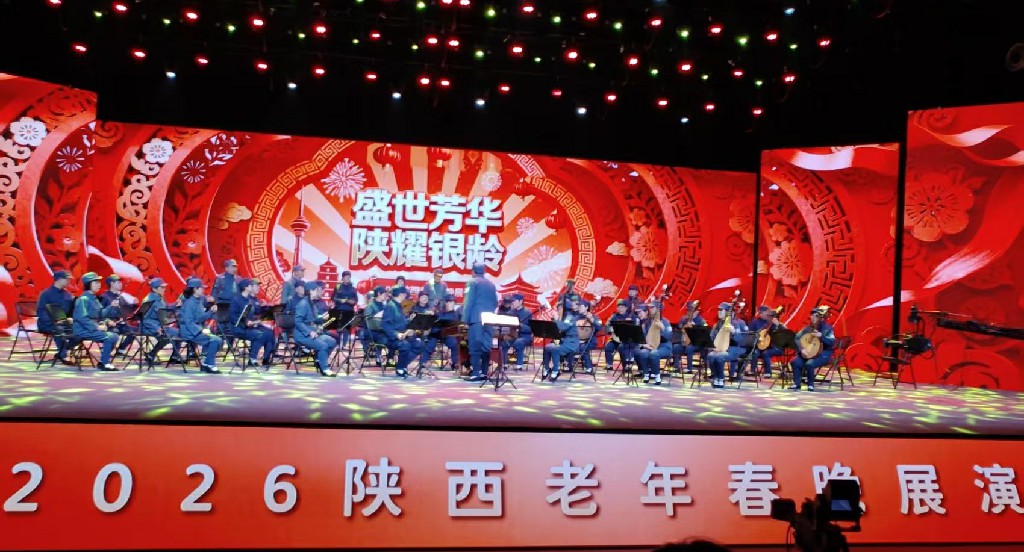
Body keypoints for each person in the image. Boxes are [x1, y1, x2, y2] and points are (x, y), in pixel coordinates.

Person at [71, 272, 120, 371]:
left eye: (99, 282)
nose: (99, 284)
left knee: (114, 336)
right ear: (88, 284)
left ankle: (103, 361)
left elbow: (101, 313)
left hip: (90, 328)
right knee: (110, 337)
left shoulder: (94, 298)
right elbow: (82, 318)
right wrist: (97, 327)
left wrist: (111, 308)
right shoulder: (83, 299)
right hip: (82, 329)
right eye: (96, 282)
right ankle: (105, 363)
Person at [461, 263, 498, 382]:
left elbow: (469, 302)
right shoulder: (491, 284)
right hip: (489, 319)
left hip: (476, 319)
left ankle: (476, 373)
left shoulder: (472, 282)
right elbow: (495, 302)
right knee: (486, 346)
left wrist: (465, 320)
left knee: (475, 346)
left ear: (473, 271)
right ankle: (484, 372)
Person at [178, 277, 222, 374]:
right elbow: (189, 322)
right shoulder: (189, 303)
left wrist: (211, 311)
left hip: (197, 330)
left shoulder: (198, 301)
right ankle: (209, 364)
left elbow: (201, 317)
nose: (203, 290)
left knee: (218, 340)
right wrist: (201, 331)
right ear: (195, 289)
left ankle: (206, 363)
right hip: (190, 332)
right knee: (215, 340)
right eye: (201, 288)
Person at [229, 278, 276, 368]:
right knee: (261, 334)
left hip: (250, 325)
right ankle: (252, 358)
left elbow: (255, 311)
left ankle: (266, 358)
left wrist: (266, 308)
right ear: (245, 287)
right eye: (251, 285)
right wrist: (247, 322)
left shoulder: (249, 300)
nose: (253, 286)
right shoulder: (236, 300)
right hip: (239, 327)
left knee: (270, 333)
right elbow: (233, 317)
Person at [293, 281, 337, 377]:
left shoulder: (311, 303)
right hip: (302, 335)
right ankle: (325, 368)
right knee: (323, 346)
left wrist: (322, 317)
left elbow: (314, 318)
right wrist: (309, 332)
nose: (318, 292)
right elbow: (298, 322)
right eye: (316, 290)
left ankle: (318, 360)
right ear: (311, 291)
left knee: (332, 341)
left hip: (312, 331)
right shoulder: (303, 304)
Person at [790, 306, 836, 391]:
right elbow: (797, 338)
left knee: (810, 364)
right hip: (808, 353)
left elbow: (832, 342)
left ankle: (810, 385)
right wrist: (802, 349)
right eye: (812, 315)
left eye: (816, 316)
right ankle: (797, 384)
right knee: (795, 362)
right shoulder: (808, 328)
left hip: (823, 354)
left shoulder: (827, 328)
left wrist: (821, 336)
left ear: (821, 318)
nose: (813, 317)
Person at [382, 286, 423, 378]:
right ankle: (400, 367)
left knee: (419, 345)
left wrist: (409, 320)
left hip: (403, 336)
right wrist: (396, 334)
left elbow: (401, 323)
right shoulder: (390, 306)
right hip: (391, 338)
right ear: (400, 295)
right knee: (405, 345)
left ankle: (402, 365)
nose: (405, 297)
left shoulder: (399, 306)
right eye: (405, 295)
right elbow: (385, 325)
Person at [706, 302, 749, 388]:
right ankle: (716, 377)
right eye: (718, 310)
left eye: (721, 310)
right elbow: (712, 337)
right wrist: (713, 346)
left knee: (719, 357)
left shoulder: (736, 323)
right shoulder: (718, 324)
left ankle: (721, 378)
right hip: (722, 348)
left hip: (735, 348)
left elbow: (742, 340)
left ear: (727, 312)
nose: (719, 312)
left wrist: (734, 332)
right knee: (711, 355)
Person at [36, 270, 75, 363]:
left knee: (80, 329)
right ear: (59, 279)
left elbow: (71, 310)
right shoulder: (46, 293)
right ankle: (64, 355)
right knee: (59, 329)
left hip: (64, 322)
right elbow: (41, 311)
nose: (69, 281)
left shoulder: (67, 294)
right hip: (47, 323)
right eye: (67, 279)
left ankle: (64, 350)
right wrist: (54, 321)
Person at [141, 278, 181, 366]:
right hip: (149, 326)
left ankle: (175, 357)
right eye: (162, 287)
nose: (164, 289)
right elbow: (144, 318)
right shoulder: (149, 300)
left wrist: (175, 304)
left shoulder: (160, 297)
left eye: (164, 287)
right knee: (166, 336)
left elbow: (165, 309)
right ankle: (151, 355)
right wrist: (156, 328)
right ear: (154, 289)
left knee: (179, 333)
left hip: (160, 325)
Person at [98, 274, 135, 358]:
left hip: (119, 322)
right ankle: (107, 350)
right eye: (118, 282)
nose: (121, 284)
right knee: (115, 332)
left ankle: (120, 350)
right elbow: (99, 313)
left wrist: (133, 305)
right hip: (109, 323)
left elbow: (127, 309)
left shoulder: (120, 296)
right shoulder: (104, 297)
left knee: (132, 333)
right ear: (112, 283)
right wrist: (107, 321)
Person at [541, 299, 579, 382]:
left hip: (571, 343)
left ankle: (555, 370)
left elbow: (563, 327)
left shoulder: (569, 317)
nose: (557, 311)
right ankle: (546, 368)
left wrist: (556, 319)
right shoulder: (562, 318)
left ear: (564, 309)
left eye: (559, 309)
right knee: (547, 347)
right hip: (562, 341)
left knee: (555, 349)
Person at [634, 304, 672, 385]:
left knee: (654, 353)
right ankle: (646, 374)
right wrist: (643, 345)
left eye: (653, 308)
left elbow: (669, 336)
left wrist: (663, 327)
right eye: (650, 308)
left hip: (664, 346)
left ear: (658, 310)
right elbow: (642, 338)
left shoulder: (665, 321)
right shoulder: (646, 323)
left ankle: (657, 376)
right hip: (651, 345)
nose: (650, 310)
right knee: (643, 352)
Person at [744, 305, 786, 377]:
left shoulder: (773, 321)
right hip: (760, 345)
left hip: (771, 346)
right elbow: (750, 333)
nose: (767, 315)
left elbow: (785, 331)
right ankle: (752, 371)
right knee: (755, 353)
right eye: (765, 313)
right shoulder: (755, 322)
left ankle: (767, 372)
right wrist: (758, 336)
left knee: (766, 353)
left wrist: (778, 325)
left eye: (768, 313)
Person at [498, 293, 532, 371]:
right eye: (512, 301)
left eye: (514, 301)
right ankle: (504, 364)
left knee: (519, 342)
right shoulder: (511, 312)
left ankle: (519, 365)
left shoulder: (527, 312)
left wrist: (521, 325)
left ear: (521, 301)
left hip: (524, 336)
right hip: (513, 335)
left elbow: (531, 329)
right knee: (503, 342)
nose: (512, 303)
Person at [671, 301, 706, 374]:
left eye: (691, 310)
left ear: (697, 311)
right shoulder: (684, 318)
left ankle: (689, 369)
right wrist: (685, 322)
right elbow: (679, 327)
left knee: (689, 348)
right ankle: (676, 367)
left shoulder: (701, 320)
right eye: (688, 310)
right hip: (684, 342)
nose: (689, 312)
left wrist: (695, 326)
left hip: (696, 344)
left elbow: (703, 334)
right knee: (676, 347)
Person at [603, 299, 637, 370]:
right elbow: (607, 325)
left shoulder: (632, 316)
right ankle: (609, 365)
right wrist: (610, 329)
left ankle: (626, 366)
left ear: (626, 308)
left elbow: (636, 329)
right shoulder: (614, 316)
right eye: (619, 307)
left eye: (622, 307)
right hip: (615, 339)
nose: (620, 309)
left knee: (622, 347)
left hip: (627, 340)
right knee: (608, 347)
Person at [571, 299, 602, 374]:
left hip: (590, 341)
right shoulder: (576, 317)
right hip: (577, 340)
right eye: (578, 306)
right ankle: (568, 365)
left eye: (580, 306)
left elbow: (599, 327)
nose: (579, 308)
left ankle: (589, 368)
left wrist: (591, 319)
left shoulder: (594, 316)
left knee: (583, 347)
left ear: (586, 307)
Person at [331, 270, 358, 348]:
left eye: (349, 277)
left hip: (349, 310)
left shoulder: (353, 289)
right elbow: (333, 297)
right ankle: (337, 343)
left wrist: (347, 301)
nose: (347, 278)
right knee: (338, 328)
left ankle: (344, 345)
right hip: (338, 309)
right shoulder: (338, 286)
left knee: (346, 328)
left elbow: (355, 301)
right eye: (346, 277)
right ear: (342, 278)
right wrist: (340, 300)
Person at [437, 293, 462, 370]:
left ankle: (463, 364)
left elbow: (461, 324)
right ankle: (455, 363)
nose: (452, 304)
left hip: (456, 335)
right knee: (454, 343)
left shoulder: (457, 314)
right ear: (446, 303)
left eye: (454, 303)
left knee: (464, 343)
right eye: (450, 302)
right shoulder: (441, 314)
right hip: (444, 335)